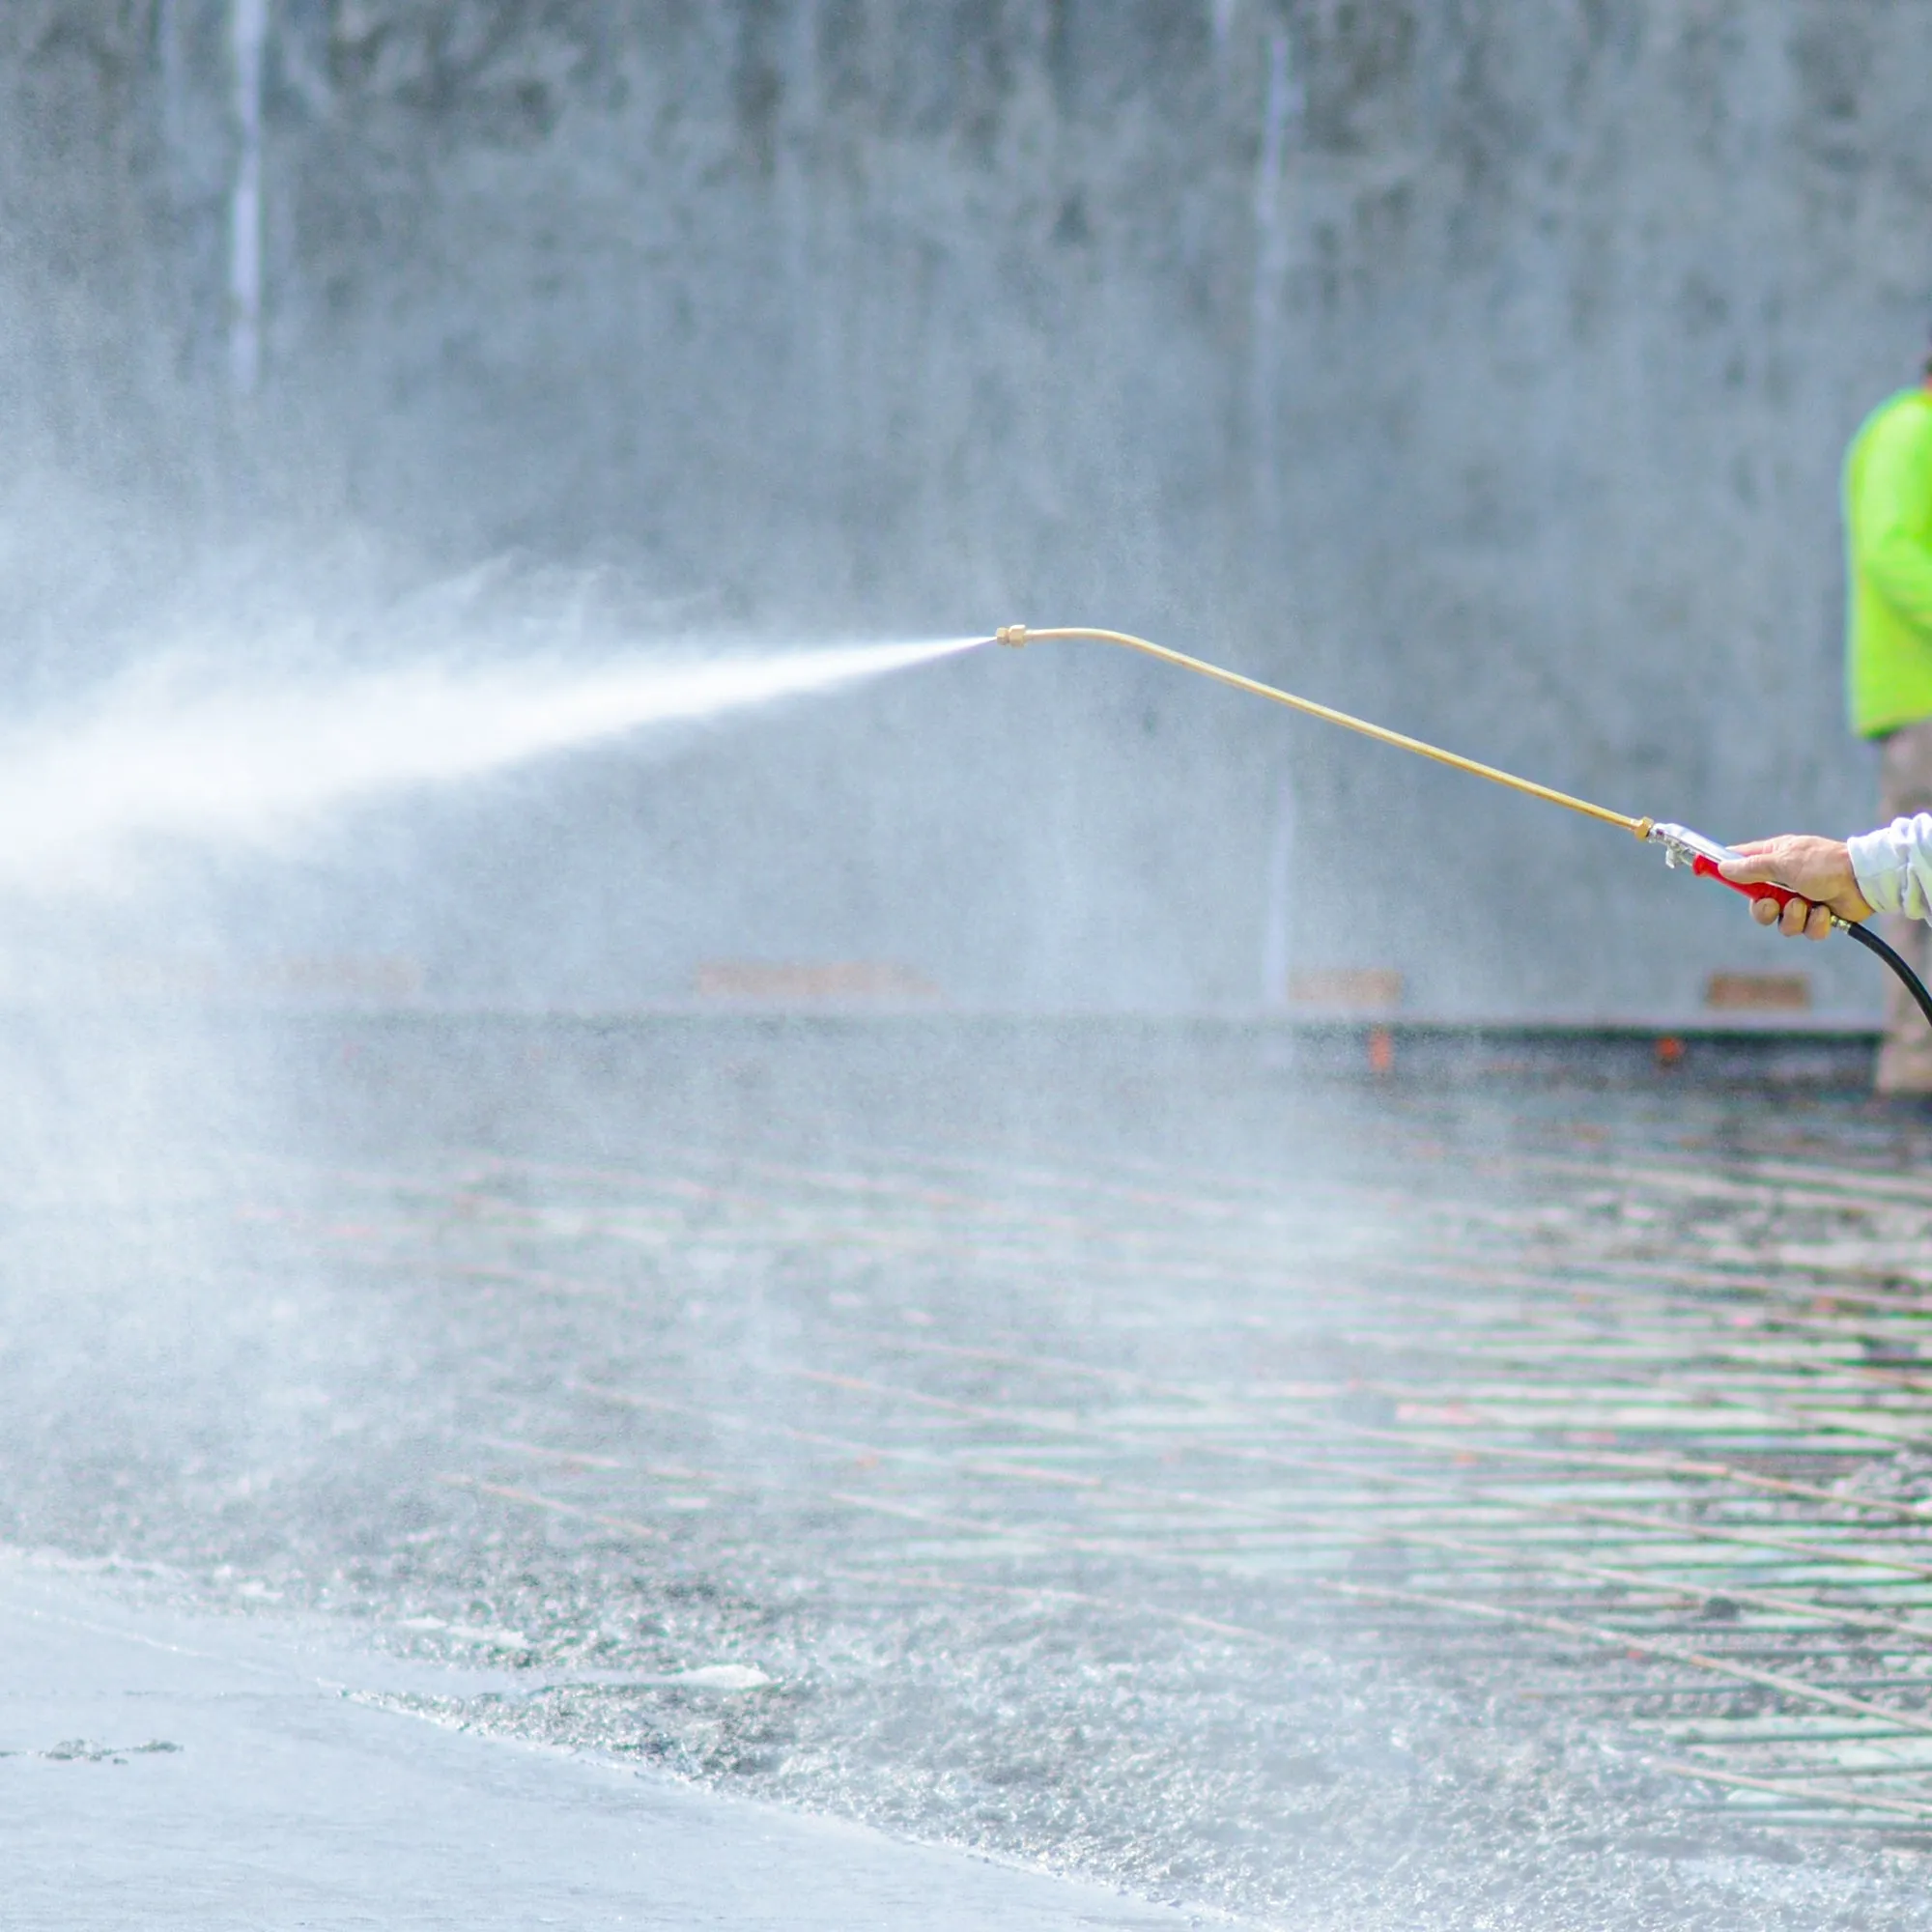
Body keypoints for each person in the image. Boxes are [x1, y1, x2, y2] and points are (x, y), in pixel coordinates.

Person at [1752, 353, 1932, 1088]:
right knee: (1913, 895)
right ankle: (1916, 1071)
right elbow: (1892, 552)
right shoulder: (1912, 432)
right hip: (1922, 698)